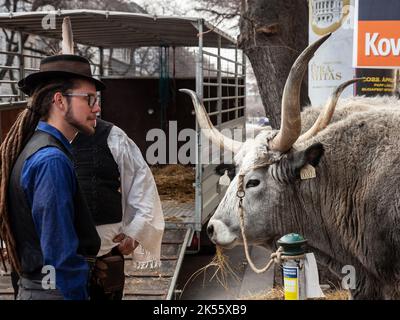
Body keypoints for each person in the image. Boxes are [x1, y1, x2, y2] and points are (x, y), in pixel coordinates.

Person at [0, 54, 104, 300]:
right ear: (60, 100)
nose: (97, 108)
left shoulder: (36, 148)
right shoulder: (51, 160)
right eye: (89, 99)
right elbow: (60, 254)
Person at [71, 117, 165, 300]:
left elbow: (142, 182)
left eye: (94, 98)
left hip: (106, 259)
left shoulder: (111, 135)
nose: (95, 106)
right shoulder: (39, 138)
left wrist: (136, 231)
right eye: (87, 98)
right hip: (57, 263)